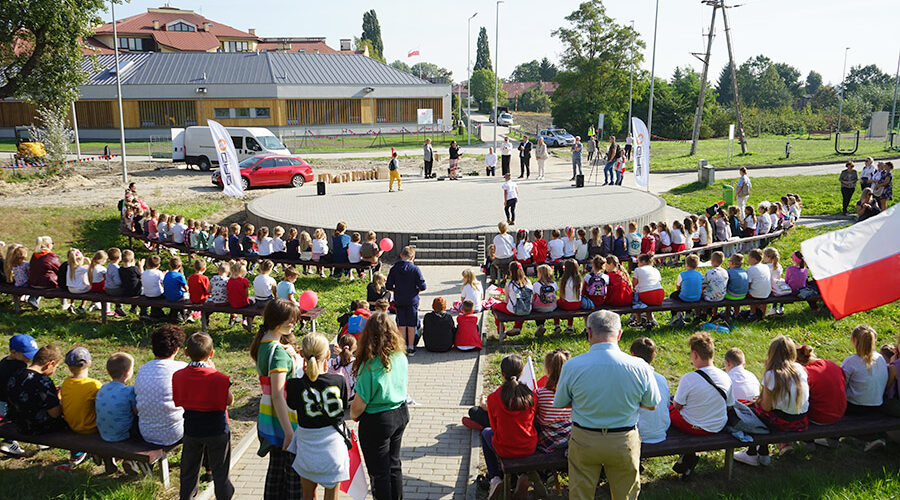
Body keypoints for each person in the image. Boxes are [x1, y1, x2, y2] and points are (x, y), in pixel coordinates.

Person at [554, 311, 660, 500]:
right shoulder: (640, 366)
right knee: (625, 495)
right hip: (623, 439)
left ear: (589, 332)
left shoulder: (572, 366)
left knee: (580, 494)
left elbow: (561, 402)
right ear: (619, 334)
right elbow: (651, 404)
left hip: (584, 438)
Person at [350, 312, 410, 500]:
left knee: (379, 472)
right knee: (394, 465)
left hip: (377, 420)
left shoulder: (369, 365)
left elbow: (358, 406)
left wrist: (353, 416)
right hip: (400, 413)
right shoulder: (400, 356)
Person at [286, 333, 349, 500]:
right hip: (334, 447)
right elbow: (343, 408)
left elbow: (292, 405)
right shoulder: (339, 381)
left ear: (302, 354)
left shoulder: (293, 385)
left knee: (307, 496)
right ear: (327, 354)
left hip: (307, 448)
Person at [249, 299, 303, 498]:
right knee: (292, 477)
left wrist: (292, 356)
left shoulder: (263, 343)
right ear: (276, 320)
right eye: (289, 320)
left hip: (269, 418)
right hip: (285, 419)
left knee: (276, 471)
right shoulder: (278, 352)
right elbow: (279, 394)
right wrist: (289, 432)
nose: (293, 324)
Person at [173, 333, 235, 500]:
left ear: (186, 352)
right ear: (211, 353)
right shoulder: (219, 378)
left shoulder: (177, 376)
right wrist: (214, 371)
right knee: (221, 472)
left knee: (189, 471)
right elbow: (229, 401)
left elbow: (177, 400)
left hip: (192, 428)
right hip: (217, 429)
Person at [735, 335, 809, 466]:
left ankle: (752, 453)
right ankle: (763, 452)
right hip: (800, 421)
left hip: (782, 422)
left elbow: (766, 407)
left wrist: (766, 372)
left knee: (749, 412)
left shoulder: (772, 374)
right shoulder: (800, 369)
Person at [670, 332, 734, 478]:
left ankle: (687, 455)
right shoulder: (725, 376)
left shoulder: (689, 378)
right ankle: (687, 456)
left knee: (669, 410)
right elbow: (729, 405)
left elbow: (677, 405)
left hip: (696, 427)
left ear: (695, 355)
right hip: (718, 425)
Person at [481, 354, 538, 498]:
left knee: (485, 432)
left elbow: (494, 429)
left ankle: (495, 477)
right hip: (529, 446)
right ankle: (521, 476)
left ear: (502, 373)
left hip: (505, 448)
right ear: (521, 373)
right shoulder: (531, 396)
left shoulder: (493, 398)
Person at [134, 325, 187, 447]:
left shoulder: (143, 369)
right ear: (176, 349)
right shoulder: (182, 369)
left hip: (146, 432)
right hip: (176, 432)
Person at [5, 344, 66, 435]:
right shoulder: (43, 381)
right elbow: (55, 413)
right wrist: (58, 397)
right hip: (38, 427)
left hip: (18, 424)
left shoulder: (16, 374)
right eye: (55, 367)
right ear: (50, 364)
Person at [0, 334, 38, 456]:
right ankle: (9, 441)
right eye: (26, 355)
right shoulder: (19, 367)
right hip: (7, 402)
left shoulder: (5, 361)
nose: (29, 359)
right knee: (12, 420)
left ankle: (9, 441)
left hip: (2, 400)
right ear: (14, 352)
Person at [386, 246, 427, 354]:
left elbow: (388, 286)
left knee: (401, 324)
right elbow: (423, 286)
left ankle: (402, 346)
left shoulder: (394, 268)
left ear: (401, 255)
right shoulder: (415, 269)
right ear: (412, 257)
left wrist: (397, 290)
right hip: (412, 300)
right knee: (412, 324)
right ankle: (411, 347)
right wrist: (415, 291)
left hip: (399, 299)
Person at [630, 337, 670, 445]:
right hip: (661, 431)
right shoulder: (661, 379)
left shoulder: (631, 379)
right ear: (654, 355)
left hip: (639, 434)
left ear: (633, 355)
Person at [795, 344, 846, 427]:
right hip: (839, 413)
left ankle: (808, 439)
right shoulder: (830, 364)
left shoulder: (805, 373)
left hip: (819, 417)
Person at [535, 349, 573, 453]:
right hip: (568, 438)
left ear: (547, 370)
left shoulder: (539, 393)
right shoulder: (572, 391)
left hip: (548, 440)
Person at [60, 347, 102, 439]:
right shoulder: (94, 385)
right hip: (91, 428)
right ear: (90, 363)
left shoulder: (66, 383)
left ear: (70, 368)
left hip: (72, 426)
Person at [96, 353, 137, 443]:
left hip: (104, 433)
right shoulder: (129, 391)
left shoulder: (103, 387)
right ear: (126, 373)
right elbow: (136, 412)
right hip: (122, 435)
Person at [492, 261, 532, 336]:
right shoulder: (528, 282)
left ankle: (501, 332)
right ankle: (517, 327)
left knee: (495, 307)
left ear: (510, 272)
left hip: (513, 310)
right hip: (527, 309)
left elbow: (507, 301)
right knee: (521, 306)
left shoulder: (509, 284)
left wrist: (500, 300)